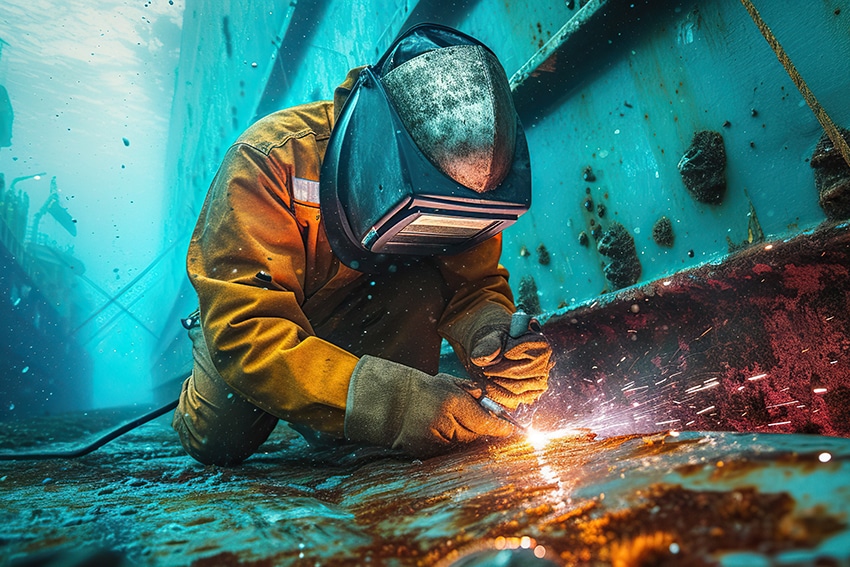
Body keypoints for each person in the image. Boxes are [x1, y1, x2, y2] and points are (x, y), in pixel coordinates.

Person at [172, 23, 553, 466]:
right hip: (263, 308)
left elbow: (472, 285)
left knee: (364, 436)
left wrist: (491, 334)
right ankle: (207, 347)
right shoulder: (269, 160)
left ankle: (337, 411)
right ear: (375, 153)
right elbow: (249, 328)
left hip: (367, 295)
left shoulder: (467, 180)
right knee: (221, 440)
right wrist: (400, 405)